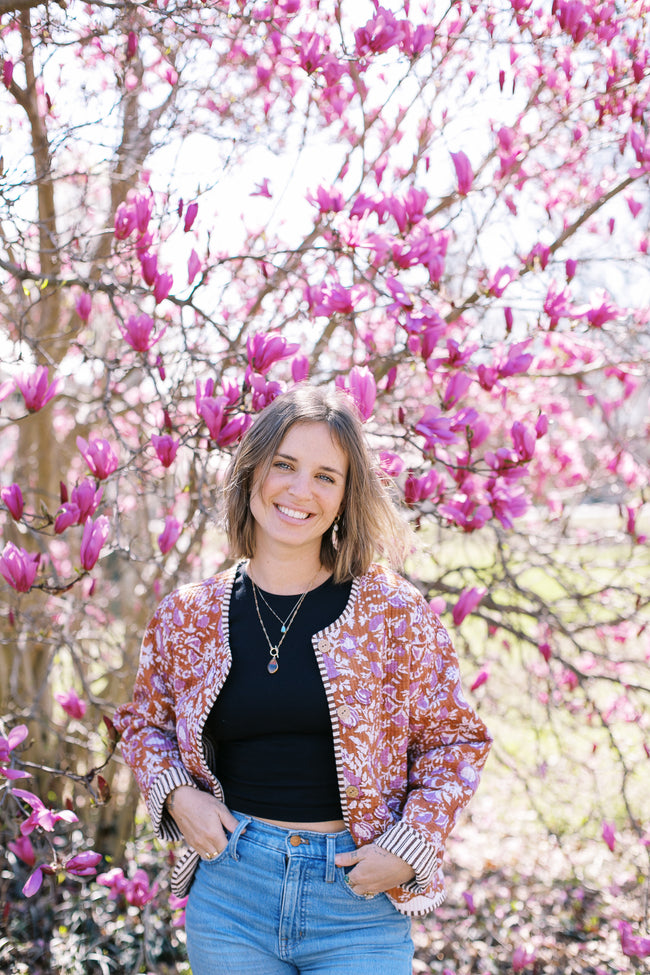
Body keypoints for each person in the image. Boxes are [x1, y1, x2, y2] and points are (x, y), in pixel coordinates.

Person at [114, 384, 492, 975]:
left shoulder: (391, 611)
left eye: (326, 476)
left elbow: (455, 741)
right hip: (232, 893)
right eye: (284, 465)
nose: (299, 490)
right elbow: (144, 724)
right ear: (252, 472)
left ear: (345, 498)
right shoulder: (189, 613)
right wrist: (175, 794)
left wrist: (409, 846)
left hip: (358, 899)